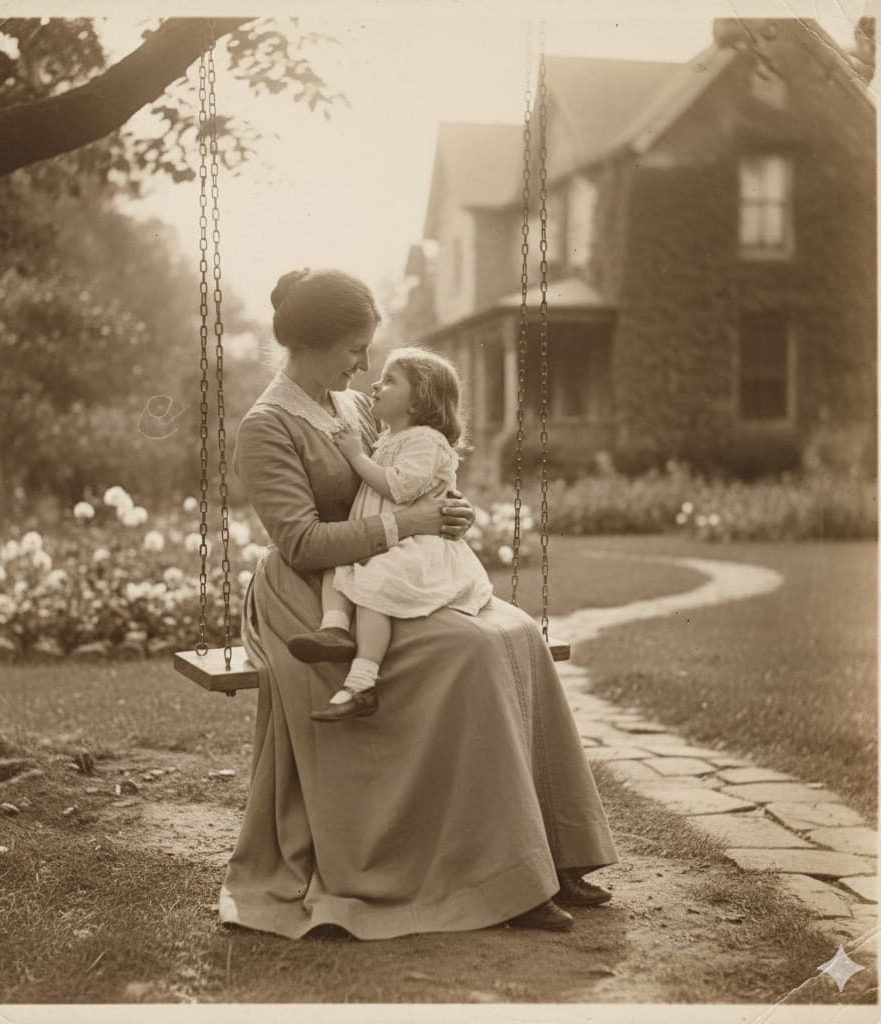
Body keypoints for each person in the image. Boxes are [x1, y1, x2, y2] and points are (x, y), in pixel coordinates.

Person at [219, 267, 617, 940]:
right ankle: (506, 874)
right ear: (311, 342)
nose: (363, 365)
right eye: (354, 349)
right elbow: (303, 542)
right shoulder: (267, 426)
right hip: (316, 595)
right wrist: (410, 523)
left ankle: (557, 851)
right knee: (472, 650)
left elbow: (410, 476)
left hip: (388, 571)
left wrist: (446, 508)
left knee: (518, 631)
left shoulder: (353, 408)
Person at [287, 346, 494, 723]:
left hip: (415, 546)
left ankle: (362, 682)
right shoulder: (392, 438)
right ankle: (334, 630)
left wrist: (355, 456)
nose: (375, 385)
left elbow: (401, 487)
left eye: (389, 380)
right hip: (388, 540)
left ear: (417, 401)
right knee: (339, 565)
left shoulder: (426, 440)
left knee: (375, 584)